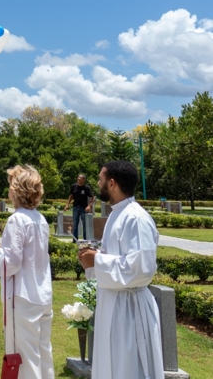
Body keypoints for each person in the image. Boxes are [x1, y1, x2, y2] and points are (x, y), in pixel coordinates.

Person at [78, 161, 163, 379]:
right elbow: (115, 258)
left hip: (130, 310)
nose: (97, 183)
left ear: (112, 183)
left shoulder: (135, 218)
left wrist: (97, 261)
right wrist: (91, 261)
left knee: (129, 369)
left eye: (100, 179)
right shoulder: (117, 214)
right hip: (113, 303)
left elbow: (141, 269)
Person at [0, 165, 54, 379]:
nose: (8, 191)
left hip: (23, 296)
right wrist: (1, 249)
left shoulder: (16, 219)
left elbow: (12, 263)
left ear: (17, 190)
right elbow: (28, 254)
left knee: (25, 355)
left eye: (10, 186)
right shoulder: (40, 219)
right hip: (42, 293)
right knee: (43, 351)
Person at [64, 174, 95, 240]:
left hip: (84, 208)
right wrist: (67, 204)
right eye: (78, 178)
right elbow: (71, 196)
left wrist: (89, 206)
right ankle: (75, 240)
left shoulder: (86, 188)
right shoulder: (74, 186)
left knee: (84, 224)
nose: (78, 179)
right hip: (75, 207)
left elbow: (93, 198)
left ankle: (85, 239)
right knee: (75, 224)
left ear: (84, 180)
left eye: (80, 178)